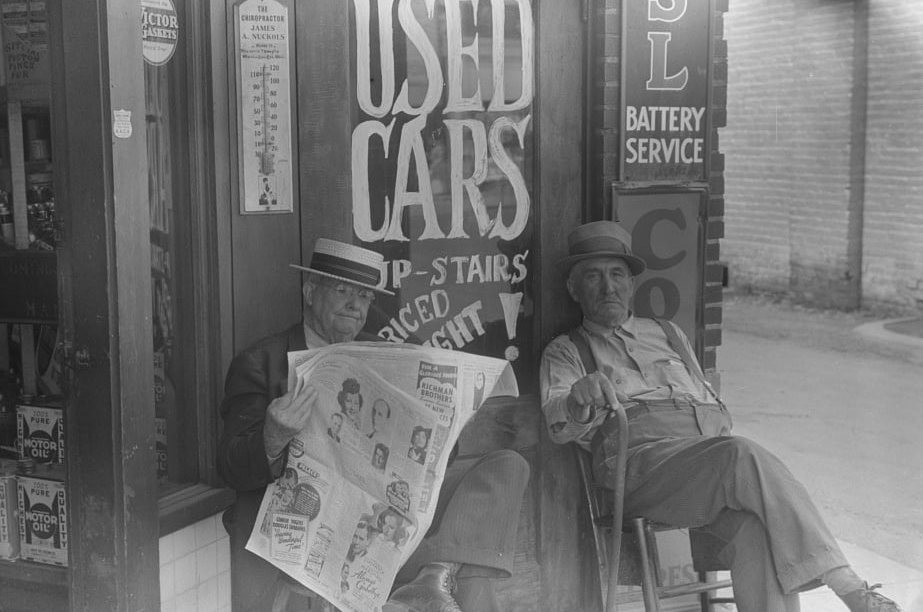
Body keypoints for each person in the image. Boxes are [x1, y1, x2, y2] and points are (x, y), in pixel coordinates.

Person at [540, 220, 902, 612]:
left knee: (755, 531)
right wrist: (579, 398)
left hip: (702, 464)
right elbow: (558, 422)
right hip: (640, 471)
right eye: (593, 276)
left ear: (632, 284)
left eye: (617, 275)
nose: (608, 287)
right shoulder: (566, 350)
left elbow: (712, 406)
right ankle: (851, 590)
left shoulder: (668, 334)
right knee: (738, 454)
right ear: (574, 289)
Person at [217, 237, 530, 612]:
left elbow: (439, 459)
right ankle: (433, 578)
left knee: (509, 465)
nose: (355, 304)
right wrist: (273, 436)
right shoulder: (260, 362)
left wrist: (444, 423)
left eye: (365, 296)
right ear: (310, 292)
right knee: (473, 581)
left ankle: (434, 573)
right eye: (342, 290)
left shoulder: (384, 353)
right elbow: (231, 468)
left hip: (390, 515)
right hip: (311, 522)